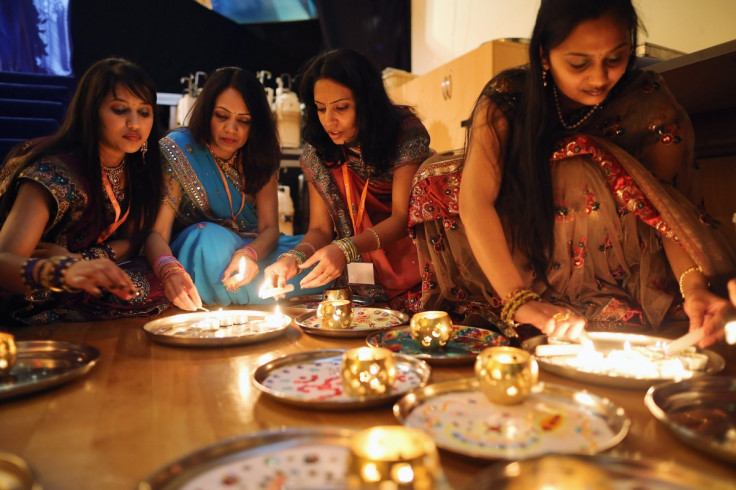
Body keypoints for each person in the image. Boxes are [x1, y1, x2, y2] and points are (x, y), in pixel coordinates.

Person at [408, 0, 736, 342]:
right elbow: (475, 200)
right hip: (522, 234)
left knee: (581, 167)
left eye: (615, 58)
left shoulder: (648, 102)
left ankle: (597, 302)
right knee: (435, 174)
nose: (599, 78)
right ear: (544, 55)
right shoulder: (510, 98)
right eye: (579, 63)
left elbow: (668, 212)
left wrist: (693, 288)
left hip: (620, 255)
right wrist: (517, 299)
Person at [263, 48, 433, 312]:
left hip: (414, 260)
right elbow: (320, 229)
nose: (329, 121)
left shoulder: (404, 133)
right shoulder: (317, 151)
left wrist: (345, 249)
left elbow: (402, 218)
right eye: (320, 109)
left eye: (341, 107)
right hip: (357, 278)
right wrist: (292, 259)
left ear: (367, 102)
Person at [0, 57, 167, 324]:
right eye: (120, 110)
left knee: (155, 279)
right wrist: (63, 270)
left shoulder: (140, 167)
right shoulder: (54, 174)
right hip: (36, 286)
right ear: (92, 112)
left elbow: (136, 238)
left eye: (144, 112)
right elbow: (4, 261)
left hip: (90, 274)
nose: (135, 123)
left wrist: (83, 259)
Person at [147, 67, 325, 310]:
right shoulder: (179, 149)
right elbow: (157, 233)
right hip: (204, 249)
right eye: (222, 116)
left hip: (252, 249)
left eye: (243, 121)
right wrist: (168, 272)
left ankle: (237, 291)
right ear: (207, 112)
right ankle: (264, 293)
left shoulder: (260, 155)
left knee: (316, 255)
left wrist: (249, 255)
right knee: (207, 239)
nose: (231, 128)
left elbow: (270, 228)